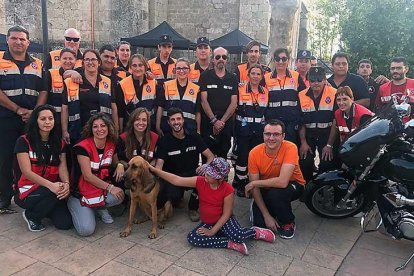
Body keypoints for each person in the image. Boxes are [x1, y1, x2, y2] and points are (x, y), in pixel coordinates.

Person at [150, 157, 276, 255]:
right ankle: (230, 243)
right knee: (193, 239)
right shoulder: (200, 181)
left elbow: (227, 214)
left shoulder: (228, 190)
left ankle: (255, 232)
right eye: (207, 172)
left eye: (210, 175)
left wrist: (213, 231)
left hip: (225, 221)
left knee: (238, 235)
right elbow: (176, 180)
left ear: (220, 178)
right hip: (208, 222)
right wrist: (155, 170)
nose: (206, 175)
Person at [0, 25, 46, 209]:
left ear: (28, 42)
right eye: (14, 38)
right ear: (8, 40)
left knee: (29, 158)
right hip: (6, 118)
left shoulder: (38, 63)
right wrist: (17, 109)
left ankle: (24, 193)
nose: (18, 42)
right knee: (4, 158)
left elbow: (43, 90)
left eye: (22, 39)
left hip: (31, 120)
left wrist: (35, 112)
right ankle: (5, 195)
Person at [14, 105, 72, 231]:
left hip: (51, 188)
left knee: (65, 224)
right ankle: (31, 216)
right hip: (27, 189)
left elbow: (62, 167)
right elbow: (27, 172)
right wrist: (51, 186)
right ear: (36, 120)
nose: (47, 122)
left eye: (50, 118)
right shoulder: (23, 141)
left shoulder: (59, 142)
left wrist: (66, 183)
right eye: (43, 119)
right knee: (54, 193)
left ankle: (44, 209)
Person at [246, 119, 306, 239]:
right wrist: (266, 215)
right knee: (260, 225)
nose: (271, 138)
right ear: (263, 135)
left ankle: (288, 221)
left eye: (276, 134)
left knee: (276, 194)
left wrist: (253, 184)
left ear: (283, 136)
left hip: (292, 184)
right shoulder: (254, 153)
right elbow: (255, 188)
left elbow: (283, 182)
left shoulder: (290, 147)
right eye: (268, 134)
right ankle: (270, 209)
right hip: (266, 186)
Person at [67, 113, 125, 236]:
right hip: (80, 194)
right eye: (95, 126)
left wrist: (120, 165)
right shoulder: (82, 147)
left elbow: (115, 163)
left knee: (119, 195)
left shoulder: (111, 144)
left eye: (103, 125)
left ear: (108, 128)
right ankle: (79, 208)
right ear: (91, 129)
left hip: (99, 190)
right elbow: (87, 176)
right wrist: (111, 187)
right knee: (86, 231)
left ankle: (99, 207)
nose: (99, 129)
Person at [155, 107, 214, 222]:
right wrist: (160, 185)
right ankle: (177, 197)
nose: (176, 122)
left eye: (178, 119)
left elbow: (210, 156)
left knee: (207, 178)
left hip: (192, 174)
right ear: (168, 122)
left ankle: (193, 207)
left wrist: (205, 166)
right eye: (173, 120)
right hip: (174, 178)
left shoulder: (194, 136)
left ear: (183, 120)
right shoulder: (164, 141)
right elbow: (159, 167)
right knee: (173, 197)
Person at [61, 49, 119, 145]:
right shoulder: (71, 81)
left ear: (99, 62)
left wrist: (116, 129)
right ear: (83, 62)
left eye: (93, 59)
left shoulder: (107, 82)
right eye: (87, 59)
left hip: (102, 131)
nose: (90, 62)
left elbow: (113, 107)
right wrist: (64, 131)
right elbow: (65, 108)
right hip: (78, 130)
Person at [232, 64, 268, 197]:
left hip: (259, 130)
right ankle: (241, 184)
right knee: (242, 157)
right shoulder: (240, 89)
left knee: (255, 158)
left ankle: (252, 183)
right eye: (253, 73)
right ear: (248, 75)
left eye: (258, 74)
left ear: (262, 76)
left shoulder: (265, 91)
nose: (255, 76)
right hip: (243, 129)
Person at [298, 67, 338, 183]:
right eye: (313, 79)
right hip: (309, 135)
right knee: (305, 161)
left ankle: (321, 188)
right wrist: (303, 143)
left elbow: (336, 121)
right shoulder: (301, 95)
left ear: (325, 80)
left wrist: (329, 145)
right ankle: (306, 187)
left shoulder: (334, 93)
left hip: (327, 134)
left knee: (327, 162)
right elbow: (301, 122)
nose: (316, 82)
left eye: (319, 79)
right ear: (308, 81)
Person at [199, 47, 238, 159]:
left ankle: (223, 177)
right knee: (207, 157)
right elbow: (203, 100)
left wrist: (221, 122)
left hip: (225, 124)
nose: (221, 59)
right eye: (218, 57)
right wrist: (214, 121)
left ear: (227, 60)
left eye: (224, 57)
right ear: (213, 60)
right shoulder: (205, 76)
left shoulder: (232, 78)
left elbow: (234, 103)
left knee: (223, 157)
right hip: (208, 123)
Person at [264, 48, 306, 145]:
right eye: (277, 59)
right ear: (274, 60)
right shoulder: (266, 78)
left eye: (284, 59)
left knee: (290, 150)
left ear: (288, 60)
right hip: (273, 122)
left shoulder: (296, 76)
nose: (281, 62)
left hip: (291, 122)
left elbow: (304, 96)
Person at [156, 58, 201, 135]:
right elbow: (160, 107)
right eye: (178, 68)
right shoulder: (166, 86)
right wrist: (157, 126)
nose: (181, 71)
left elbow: (198, 112)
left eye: (184, 68)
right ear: (175, 70)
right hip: (168, 128)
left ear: (189, 70)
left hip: (189, 128)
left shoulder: (196, 88)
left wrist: (198, 130)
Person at [116, 54, 158, 132]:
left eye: (140, 65)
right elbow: (120, 111)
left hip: (149, 127)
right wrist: (120, 129)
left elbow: (157, 107)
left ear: (145, 67)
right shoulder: (122, 84)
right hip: (130, 128)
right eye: (134, 65)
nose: (137, 68)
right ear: (130, 67)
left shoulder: (154, 83)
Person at [46, 48, 76, 122]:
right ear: (60, 60)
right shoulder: (50, 74)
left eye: (70, 59)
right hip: (54, 117)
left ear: (75, 60)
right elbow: (45, 94)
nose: (67, 61)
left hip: (72, 118)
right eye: (64, 58)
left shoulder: (78, 77)